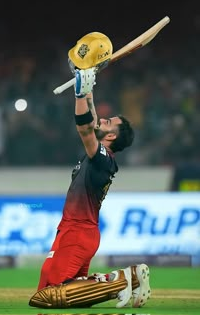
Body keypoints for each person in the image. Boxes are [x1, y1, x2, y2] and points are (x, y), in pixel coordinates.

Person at [29, 33, 151, 309]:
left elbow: (85, 126)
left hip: (79, 233)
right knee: (59, 293)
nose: (102, 121)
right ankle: (118, 280)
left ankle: (122, 279)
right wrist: (88, 84)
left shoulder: (102, 158)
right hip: (72, 231)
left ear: (111, 138)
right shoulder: (102, 155)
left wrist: (81, 92)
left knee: (47, 296)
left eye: (109, 123)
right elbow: (93, 119)